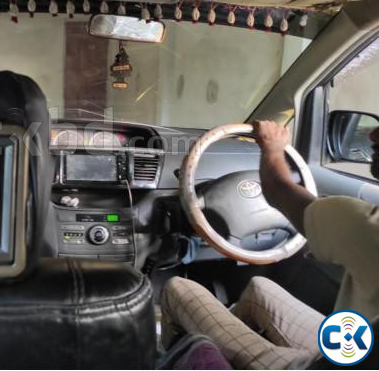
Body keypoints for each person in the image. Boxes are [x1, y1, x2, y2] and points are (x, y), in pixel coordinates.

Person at [160, 121, 379, 369]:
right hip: (353, 346)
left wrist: (273, 147)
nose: (372, 134)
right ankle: (225, 352)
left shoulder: (368, 225)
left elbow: (277, 189)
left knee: (177, 288)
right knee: (258, 287)